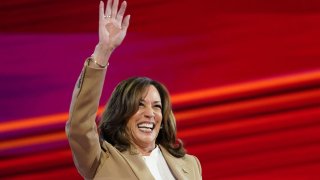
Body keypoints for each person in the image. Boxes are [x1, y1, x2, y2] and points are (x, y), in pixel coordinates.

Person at [65, 0, 202, 179]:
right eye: (139, 105)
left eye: (157, 106)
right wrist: (103, 51)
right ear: (122, 114)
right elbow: (79, 125)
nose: (150, 113)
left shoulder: (190, 164)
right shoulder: (102, 160)